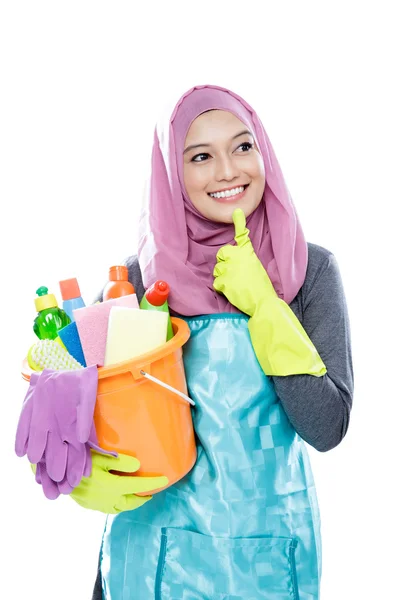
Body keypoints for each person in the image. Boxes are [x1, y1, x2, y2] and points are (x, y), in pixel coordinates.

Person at [71, 85, 353, 599]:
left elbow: (327, 426)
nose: (228, 171)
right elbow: (71, 416)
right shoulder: (133, 282)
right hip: (150, 563)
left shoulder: (309, 272)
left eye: (243, 147)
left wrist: (266, 305)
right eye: (200, 156)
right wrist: (79, 471)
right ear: (171, 175)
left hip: (268, 563)